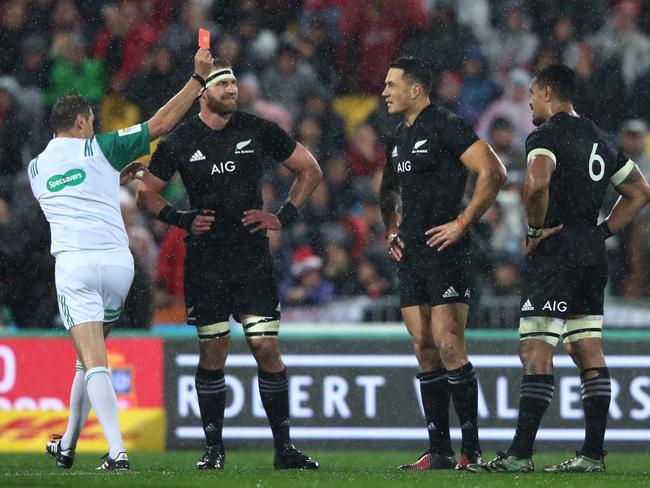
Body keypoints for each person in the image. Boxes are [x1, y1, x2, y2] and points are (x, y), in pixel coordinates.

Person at [30, 48, 214, 471]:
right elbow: (163, 124)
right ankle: (69, 445)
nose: (94, 127)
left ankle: (116, 451)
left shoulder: (36, 168)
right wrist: (196, 79)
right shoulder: (101, 149)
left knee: (93, 359)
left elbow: (69, 194)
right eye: (92, 121)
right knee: (87, 358)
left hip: (75, 266)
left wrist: (108, 175)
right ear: (81, 122)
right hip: (118, 265)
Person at [135, 59, 323, 470]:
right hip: (207, 260)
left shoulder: (257, 129)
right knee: (213, 352)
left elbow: (309, 170)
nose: (232, 89)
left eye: (235, 82)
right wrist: (181, 219)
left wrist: (283, 216)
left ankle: (284, 449)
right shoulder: (181, 140)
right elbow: (145, 195)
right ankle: (213, 449)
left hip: (251, 256)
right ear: (203, 93)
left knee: (266, 346)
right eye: (223, 84)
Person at [470, 64, 650, 473]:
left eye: (533, 92)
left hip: (558, 251)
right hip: (591, 251)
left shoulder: (545, 135)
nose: (530, 100)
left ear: (549, 92)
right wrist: (602, 230)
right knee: (586, 348)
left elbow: (536, 183)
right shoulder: (601, 138)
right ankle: (591, 454)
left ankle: (519, 455)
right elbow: (639, 191)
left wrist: (534, 228)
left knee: (535, 349)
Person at [379, 56, 506, 471]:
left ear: (415, 90)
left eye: (391, 85)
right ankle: (439, 450)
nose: (385, 92)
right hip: (411, 253)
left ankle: (471, 450)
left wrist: (462, 222)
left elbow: (493, 171)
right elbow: (389, 191)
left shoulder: (447, 126)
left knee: (449, 341)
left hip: (447, 249)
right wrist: (391, 230)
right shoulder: (397, 134)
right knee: (424, 348)